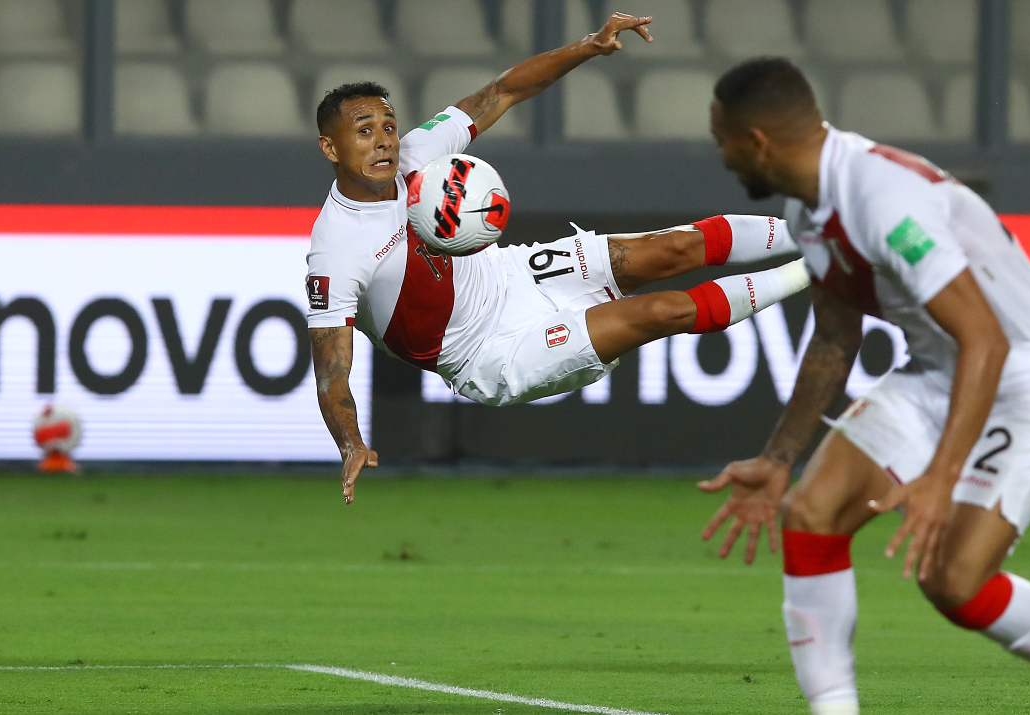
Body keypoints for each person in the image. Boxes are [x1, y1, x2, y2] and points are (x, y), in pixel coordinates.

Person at [697, 58, 1030, 715]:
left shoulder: (881, 197)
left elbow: (985, 338)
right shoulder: (808, 209)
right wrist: (778, 458)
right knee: (810, 512)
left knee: (953, 581)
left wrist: (941, 476)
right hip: (940, 372)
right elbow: (834, 339)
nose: (722, 156)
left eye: (724, 141)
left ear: (757, 141)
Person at [305, 15, 809, 505]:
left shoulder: (419, 154)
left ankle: (820, 232)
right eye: (365, 130)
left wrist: (588, 46)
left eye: (389, 126)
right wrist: (350, 440)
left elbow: (503, 91)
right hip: (488, 352)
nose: (385, 141)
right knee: (658, 313)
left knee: (675, 247)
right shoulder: (336, 249)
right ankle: (816, 269)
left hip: (514, 273)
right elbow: (332, 367)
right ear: (330, 147)